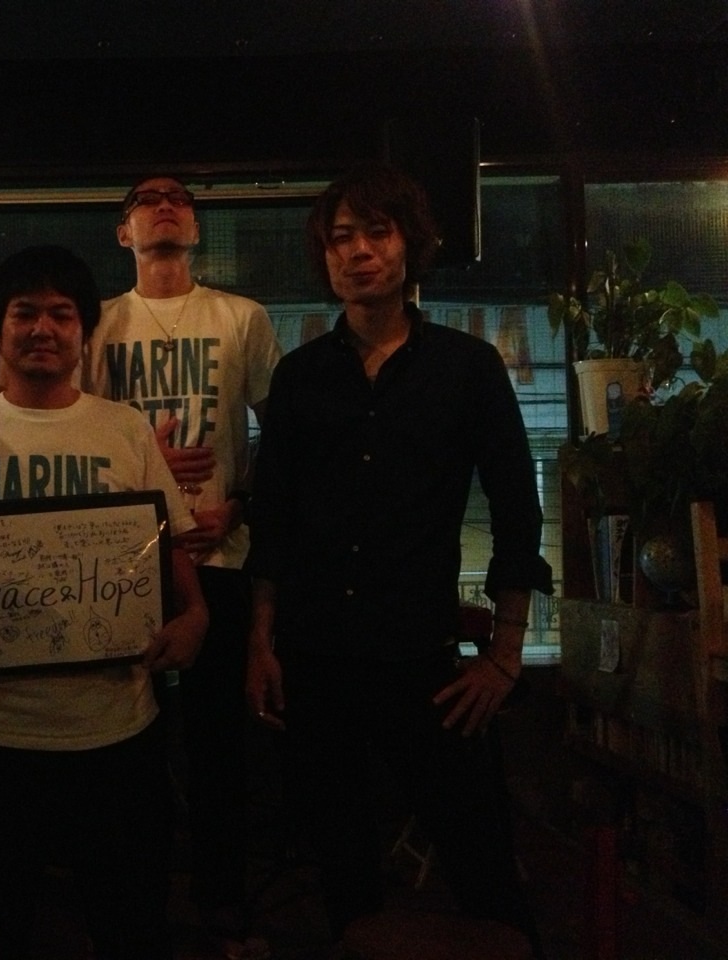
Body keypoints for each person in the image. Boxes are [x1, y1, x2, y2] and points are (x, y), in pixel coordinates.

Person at [244, 163, 553, 955]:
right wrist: (260, 642)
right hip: (313, 655)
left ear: (409, 245)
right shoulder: (300, 375)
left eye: (375, 233)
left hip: (424, 658)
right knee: (342, 874)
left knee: (484, 865)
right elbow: (273, 519)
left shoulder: (467, 367)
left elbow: (518, 510)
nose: (357, 251)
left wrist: (506, 656)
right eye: (340, 237)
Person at [0, 245, 209, 960]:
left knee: (128, 925)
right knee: (7, 929)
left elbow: (170, 549)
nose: (43, 328)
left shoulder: (124, 427)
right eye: (25, 313)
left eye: (62, 314)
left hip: (118, 725)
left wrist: (196, 615)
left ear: (83, 331)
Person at [83, 174, 282, 957]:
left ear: (195, 227)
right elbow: (77, 433)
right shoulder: (101, 322)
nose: (165, 205)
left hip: (220, 552)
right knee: (125, 741)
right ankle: (131, 896)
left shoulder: (241, 317)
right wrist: (145, 468)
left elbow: (282, 435)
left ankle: (220, 895)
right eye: (146, 198)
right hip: (127, 558)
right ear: (123, 232)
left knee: (217, 744)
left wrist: (238, 504)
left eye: (179, 198)